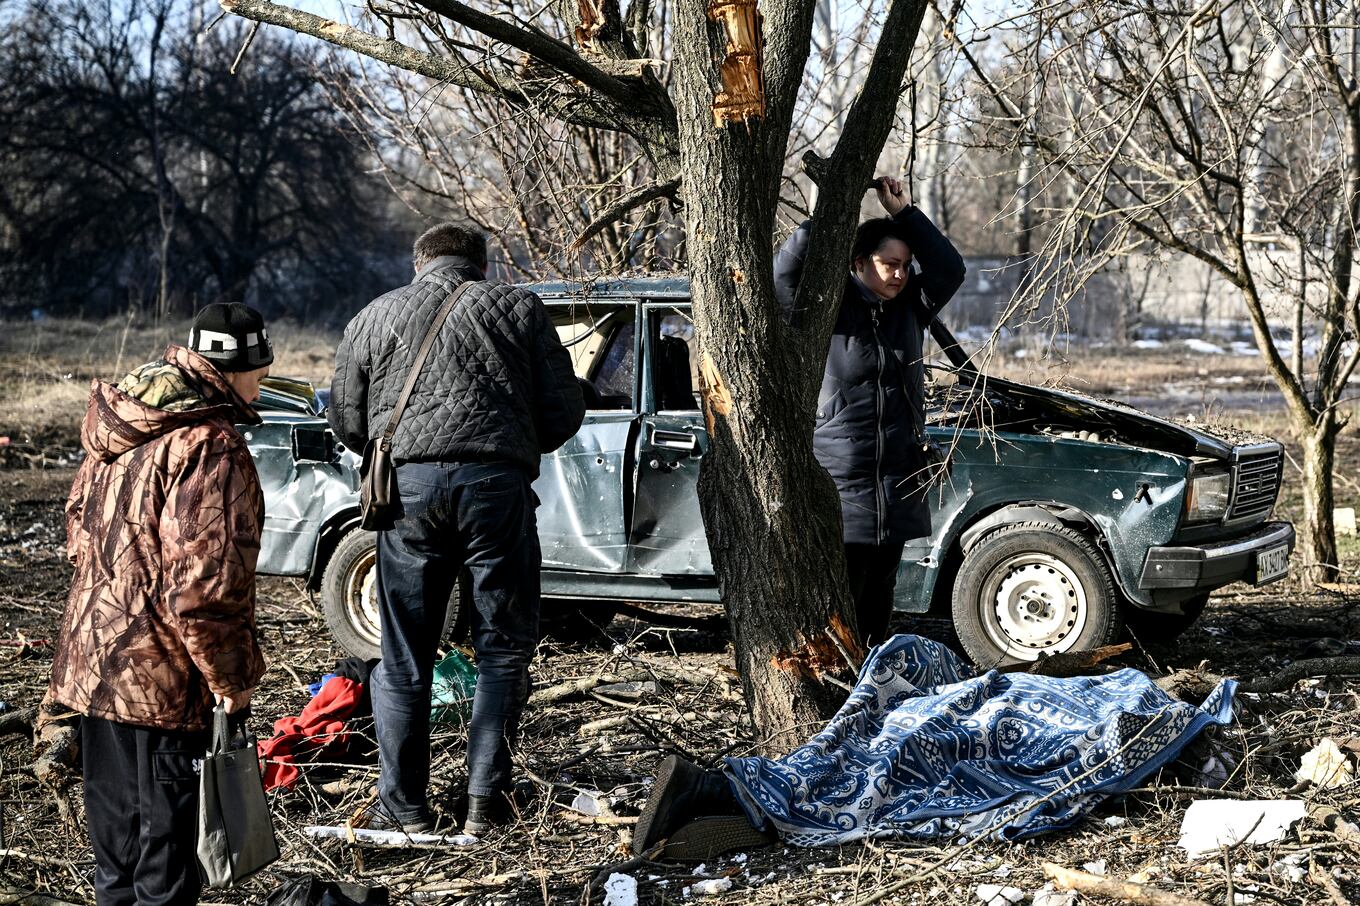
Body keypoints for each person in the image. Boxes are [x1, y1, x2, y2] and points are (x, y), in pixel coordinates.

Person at [329, 223, 585, 835]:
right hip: (496, 490)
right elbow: (564, 411)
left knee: (403, 657)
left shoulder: (374, 315)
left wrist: (406, 455)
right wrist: (509, 447)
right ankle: (483, 806)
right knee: (502, 648)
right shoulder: (518, 307)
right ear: (481, 263)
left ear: (419, 264)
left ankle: (405, 809)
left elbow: (345, 418)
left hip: (407, 494)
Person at [45, 303, 272, 906]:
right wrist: (232, 676)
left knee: (116, 861)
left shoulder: (121, 425)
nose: (262, 384)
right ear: (236, 368)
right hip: (163, 689)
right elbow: (203, 590)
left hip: (94, 669)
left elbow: (77, 531)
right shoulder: (211, 446)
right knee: (164, 868)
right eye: (259, 369)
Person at [774, 176, 966, 648]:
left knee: (881, 595)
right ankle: (839, 687)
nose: (899, 275)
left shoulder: (910, 309)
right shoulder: (828, 306)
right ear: (859, 262)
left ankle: (871, 687)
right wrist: (828, 214)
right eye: (888, 264)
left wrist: (904, 213)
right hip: (841, 478)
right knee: (840, 597)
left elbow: (949, 268)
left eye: (904, 266)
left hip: (898, 474)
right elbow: (783, 276)